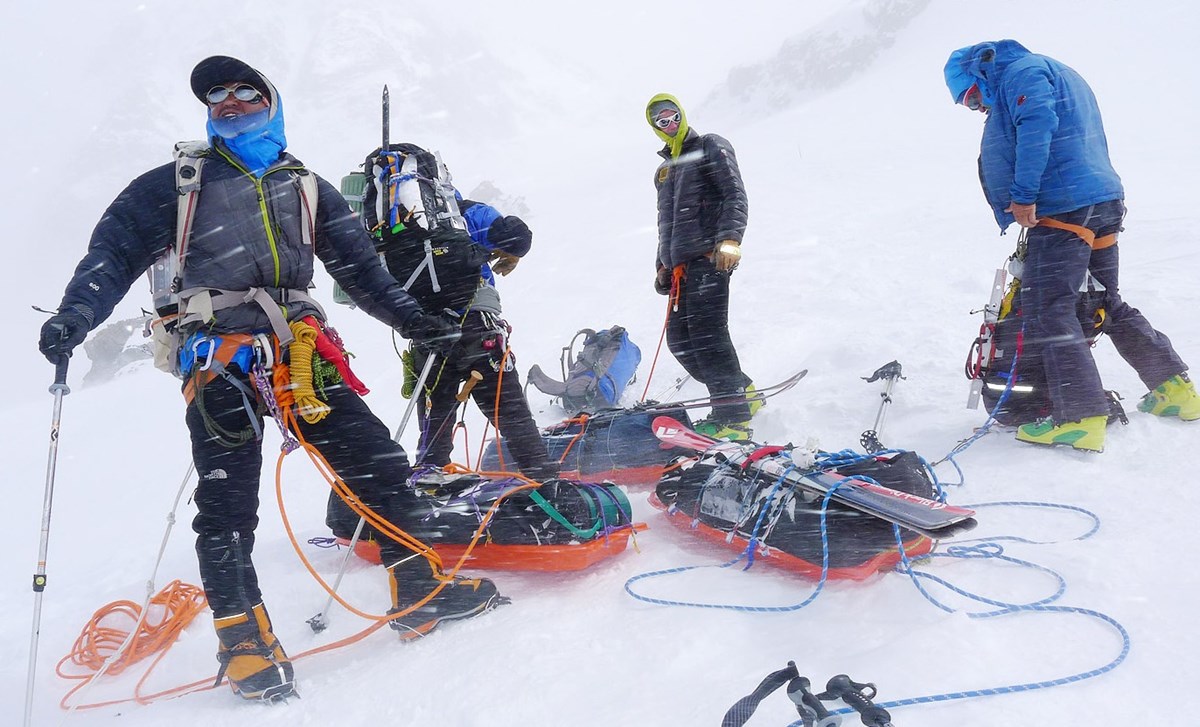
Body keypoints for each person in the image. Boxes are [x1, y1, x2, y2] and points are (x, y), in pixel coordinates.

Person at [36, 56, 506, 702]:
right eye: (217, 96)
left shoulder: (306, 186)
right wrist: (76, 315)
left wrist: (419, 321)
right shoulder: (178, 183)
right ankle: (243, 640)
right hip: (217, 354)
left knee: (379, 463)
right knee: (228, 503)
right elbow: (114, 251)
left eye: (244, 92)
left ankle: (421, 590)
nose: (228, 103)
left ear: (271, 102)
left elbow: (362, 273)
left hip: (301, 350)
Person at [944, 40, 1199, 453]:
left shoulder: (1021, 73)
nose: (977, 108)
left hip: (1063, 206)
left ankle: (1079, 417)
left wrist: (1024, 194)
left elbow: (1038, 123)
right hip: (1100, 200)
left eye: (972, 97)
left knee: (1049, 308)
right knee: (1102, 301)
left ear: (979, 72)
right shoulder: (1055, 70)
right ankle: (1174, 390)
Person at [348, 143, 559, 481]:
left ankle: (428, 501)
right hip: (481, 330)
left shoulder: (380, 228)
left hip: (428, 336)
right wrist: (510, 252)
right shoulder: (460, 214)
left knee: (433, 439)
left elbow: (357, 284)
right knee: (515, 423)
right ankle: (550, 489)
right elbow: (517, 235)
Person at [645, 93, 757, 441]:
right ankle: (743, 394)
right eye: (659, 121)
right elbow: (667, 223)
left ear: (681, 112)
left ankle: (733, 419)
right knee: (680, 340)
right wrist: (663, 264)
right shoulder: (664, 171)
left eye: (671, 114)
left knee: (708, 337)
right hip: (681, 267)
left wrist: (729, 240)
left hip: (710, 257)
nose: (668, 123)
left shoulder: (710, 145)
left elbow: (734, 194)